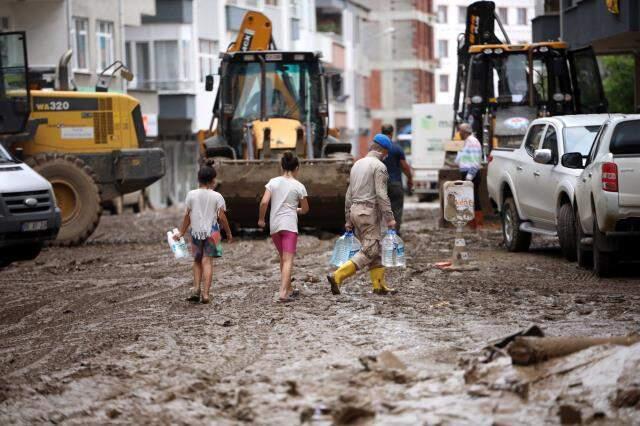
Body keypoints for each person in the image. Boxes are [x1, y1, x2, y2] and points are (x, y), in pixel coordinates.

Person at [326, 134, 397, 296]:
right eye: (386, 153)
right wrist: (390, 217)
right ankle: (337, 276)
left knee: (375, 248)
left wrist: (347, 219)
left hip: (355, 211)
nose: (386, 156)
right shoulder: (379, 167)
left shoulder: (357, 164)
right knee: (370, 250)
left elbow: (348, 195)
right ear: (383, 151)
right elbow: (381, 195)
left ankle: (379, 285)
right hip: (369, 212)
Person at [175, 165, 233, 304]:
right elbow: (222, 217)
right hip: (212, 233)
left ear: (199, 179)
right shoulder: (217, 196)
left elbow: (187, 216)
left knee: (196, 261)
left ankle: (196, 289)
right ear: (213, 180)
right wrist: (229, 233)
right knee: (207, 262)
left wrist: (182, 232)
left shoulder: (191, 195)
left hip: (196, 232)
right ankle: (206, 294)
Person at [258, 151, 310, 303]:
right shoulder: (299, 186)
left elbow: (264, 202)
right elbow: (305, 209)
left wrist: (261, 219)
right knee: (288, 260)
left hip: (274, 226)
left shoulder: (273, 182)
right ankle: (283, 293)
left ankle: (288, 288)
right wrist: (296, 210)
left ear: (282, 166)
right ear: (297, 168)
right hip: (289, 226)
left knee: (283, 258)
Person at [381, 124, 413, 233]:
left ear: (382, 132)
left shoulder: (376, 149)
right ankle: (394, 233)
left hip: (379, 184)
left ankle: (379, 233)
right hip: (395, 183)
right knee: (396, 209)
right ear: (392, 133)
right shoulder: (396, 148)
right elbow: (404, 166)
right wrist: (410, 179)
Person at [455, 123, 484, 228]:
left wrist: (469, 176)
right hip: (466, 174)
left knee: (474, 198)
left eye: (460, 131)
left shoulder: (473, 142)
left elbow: (476, 161)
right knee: (469, 199)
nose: (459, 133)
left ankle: (478, 224)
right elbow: (459, 159)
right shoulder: (466, 142)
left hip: (471, 174)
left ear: (465, 132)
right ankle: (472, 224)